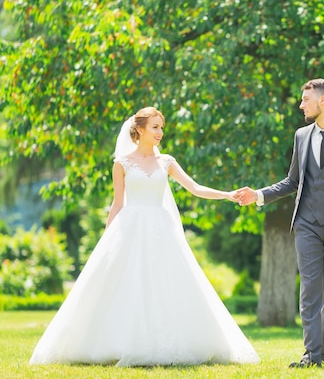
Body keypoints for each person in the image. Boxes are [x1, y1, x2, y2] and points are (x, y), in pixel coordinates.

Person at [30, 107, 260, 367]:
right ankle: (120, 341)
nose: (160, 132)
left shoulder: (167, 161)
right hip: (129, 228)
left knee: (167, 282)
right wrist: (107, 239)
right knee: (127, 283)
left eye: (161, 127)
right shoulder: (122, 164)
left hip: (161, 230)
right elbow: (117, 203)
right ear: (139, 129)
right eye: (155, 127)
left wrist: (227, 194)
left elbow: (195, 188)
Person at [237, 78, 324, 368]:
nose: (301, 105)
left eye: (306, 100)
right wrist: (258, 195)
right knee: (309, 289)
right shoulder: (301, 136)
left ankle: (323, 352)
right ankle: (311, 355)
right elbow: (292, 181)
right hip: (306, 223)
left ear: (322, 101)